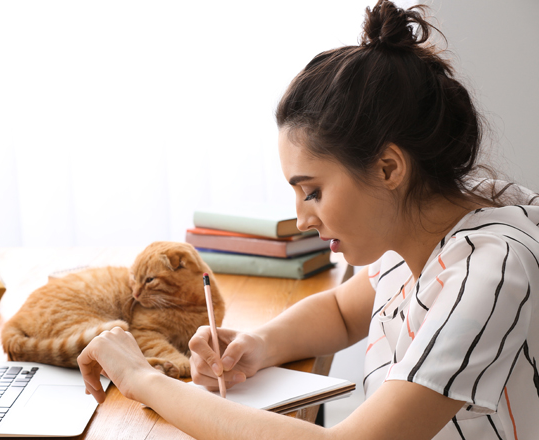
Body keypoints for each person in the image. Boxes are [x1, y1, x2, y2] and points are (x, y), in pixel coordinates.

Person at [76, 1, 539, 439]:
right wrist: (257, 343)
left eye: (312, 191)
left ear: (388, 169)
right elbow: (340, 313)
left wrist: (142, 379)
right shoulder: (425, 224)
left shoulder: (489, 268)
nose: (301, 219)